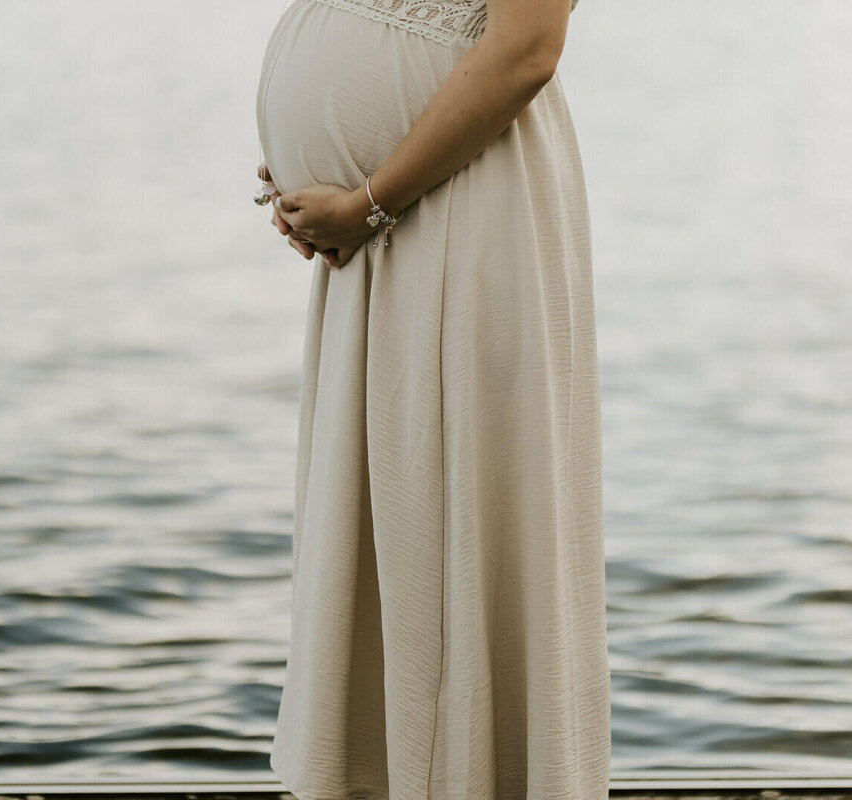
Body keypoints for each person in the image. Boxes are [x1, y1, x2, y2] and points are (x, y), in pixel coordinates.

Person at [255, 0, 610, 797]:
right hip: (375, 237)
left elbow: (527, 48)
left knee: (455, 522)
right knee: (387, 535)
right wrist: (314, 166)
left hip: (463, 202)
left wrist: (368, 197)